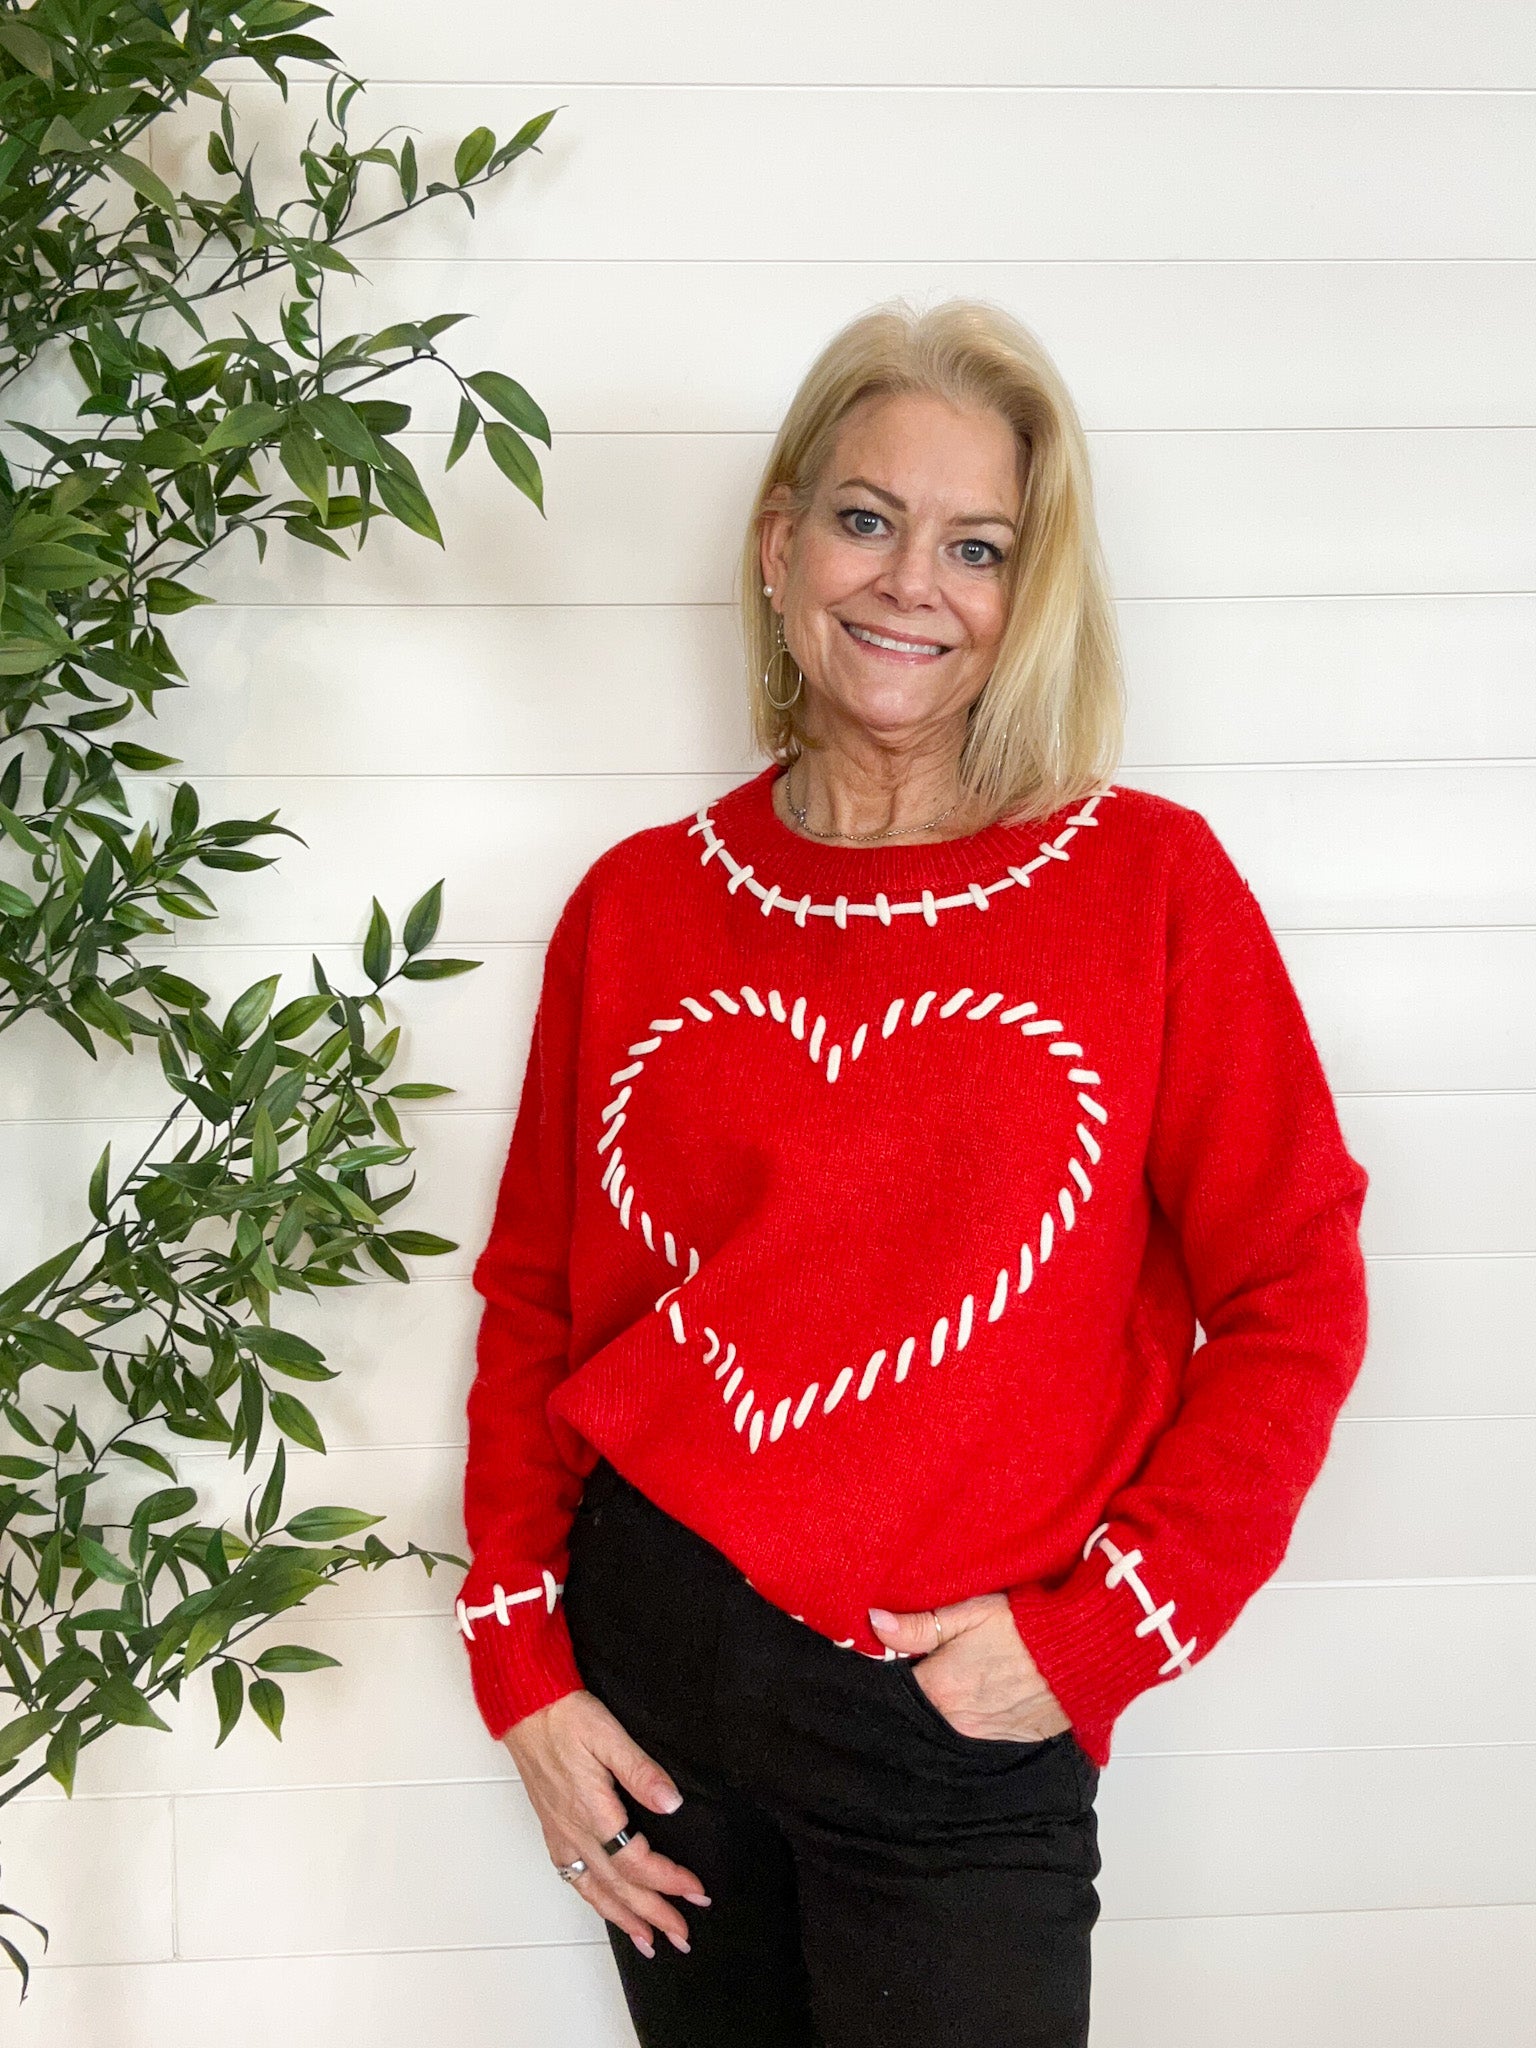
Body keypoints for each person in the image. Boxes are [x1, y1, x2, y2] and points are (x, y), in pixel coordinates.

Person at [454, 299, 1370, 2048]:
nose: (908, 584)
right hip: (654, 1686)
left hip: (957, 1726)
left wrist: (1109, 1633)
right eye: (866, 519)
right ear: (780, 543)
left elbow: (1293, 1288)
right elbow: (536, 1302)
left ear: (1030, 592)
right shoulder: (637, 906)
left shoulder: (1150, 888)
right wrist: (524, 1668)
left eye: (977, 547)